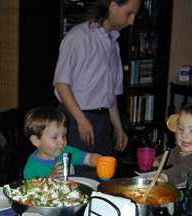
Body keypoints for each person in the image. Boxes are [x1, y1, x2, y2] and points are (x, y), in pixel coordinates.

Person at [53, 0, 141, 157]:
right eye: (129, 13)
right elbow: (61, 83)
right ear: (112, 6)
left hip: (102, 122)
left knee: (102, 177)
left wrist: (118, 128)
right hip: (76, 120)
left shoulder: (113, 44)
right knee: (77, 179)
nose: (132, 21)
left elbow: (110, 92)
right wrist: (82, 120)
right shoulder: (80, 36)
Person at [23, 107, 101, 179]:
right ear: (36, 140)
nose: (62, 141)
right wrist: (50, 179)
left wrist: (103, 162)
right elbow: (33, 192)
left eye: (63, 135)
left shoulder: (67, 152)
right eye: (54, 137)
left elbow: (89, 158)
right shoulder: (32, 168)